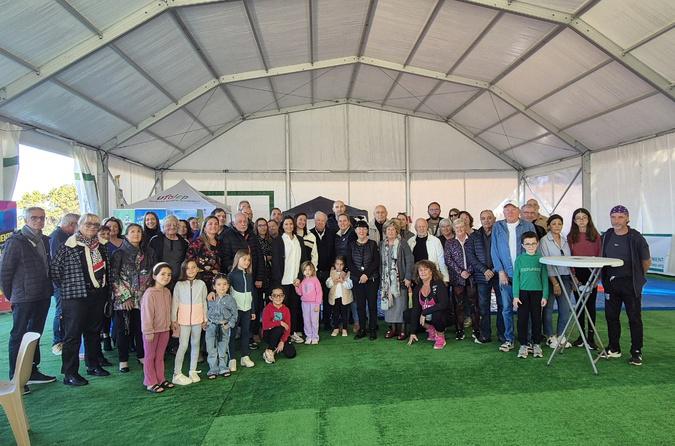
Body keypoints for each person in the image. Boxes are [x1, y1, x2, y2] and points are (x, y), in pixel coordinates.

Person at [50, 213, 111, 386]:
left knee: (93, 332)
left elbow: (107, 269)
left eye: (96, 224)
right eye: (88, 223)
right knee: (73, 335)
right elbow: (55, 271)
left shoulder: (102, 246)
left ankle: (93, 365)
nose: (92, 226)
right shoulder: (68, 245)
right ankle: (70, 374)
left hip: (98, 295)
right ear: (79, 225)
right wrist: (71, 286)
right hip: (75, 297)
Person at [2, 207, 56, 392]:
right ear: (25, 219)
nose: (39, 221)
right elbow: (5, 271)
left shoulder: (46, 240)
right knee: (18, 335)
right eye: (34, 218)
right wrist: (12, 295)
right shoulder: (15, 242)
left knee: (35, 335)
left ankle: (32, 371)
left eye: (42, 218)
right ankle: (16, 377)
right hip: (23, 297)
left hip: (42, 295)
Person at [599, 205, 651, 366]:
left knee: (634, 318)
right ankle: (614, 348)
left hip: (631, 284)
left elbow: (646, 262)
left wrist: (635, 277)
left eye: (620, 217)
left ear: (627, 218)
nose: (617, 220)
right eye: (613, 217)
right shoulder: (606, 235)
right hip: (611, 284)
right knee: (611, 317)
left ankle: (636, 351)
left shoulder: (636, 238)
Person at [110, 223, 156, 373]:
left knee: (141, 328)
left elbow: (153, 274)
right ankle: (123, 360)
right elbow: (114, 277)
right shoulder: (119, 253)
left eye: (138, 232)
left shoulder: (148, 252)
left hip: (143, 298)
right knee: (123, 329)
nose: (136, 234)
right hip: (124, 299)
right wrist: (125, 297)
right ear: (126, 235)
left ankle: (141, 355)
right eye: (132, 232)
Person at [491, 201, 535, 352]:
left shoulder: (528, 226)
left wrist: (527, 271)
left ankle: (527, 340)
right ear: (503, 213)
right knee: (506, 309)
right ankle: (509, 339)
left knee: (525, 310)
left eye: (512, 210)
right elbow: (494, 250)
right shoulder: (498, 227)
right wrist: (500, 271)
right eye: (506, 210)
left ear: (518, 212)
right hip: (505, 276)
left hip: (525, 276)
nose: (509, 212)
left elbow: (533, 249)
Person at [271, 216, 310, 343]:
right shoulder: (278, 241)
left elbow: (303, 260)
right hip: (282, 281)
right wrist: (277, 283)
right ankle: (280, 335)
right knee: (281, 309)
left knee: (294, 308)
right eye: (286, 224)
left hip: (295, 282)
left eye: (291, 224)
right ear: (282, 226)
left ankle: (292, 332)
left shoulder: (299, 239)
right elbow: (276, 263)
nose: (289, 226)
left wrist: (300, 277)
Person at [466, 210, 503, 344]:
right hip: (482, 277)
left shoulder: (500, 234)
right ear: (480, 220)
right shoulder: (474, 236)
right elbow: (470, 256)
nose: (486, 221)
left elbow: (504, 253)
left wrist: (493, 270)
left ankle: (502, 335)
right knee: (483, 306)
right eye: (483, 218)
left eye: (489, 218)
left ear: (494, 219)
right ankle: (485, 335)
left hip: (499, 274)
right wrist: (484, 270)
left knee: (502, 305)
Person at [567, 208, 601, 349]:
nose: (581, 220)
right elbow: (568, 258)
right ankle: (581, 337)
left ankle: (590, 338)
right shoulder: (570, 237)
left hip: (591, 273)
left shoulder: (596, 236)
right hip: (577, 274)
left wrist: (596, 279)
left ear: (588, 219)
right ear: (574, 221)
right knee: (579, 305)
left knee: (590, 306)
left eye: (584, 217)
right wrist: (573, 277)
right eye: (578, 218)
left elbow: (600, 257)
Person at [538, 214, 573, 350]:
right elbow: (546, 263)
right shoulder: (544, 241)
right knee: (548, 309)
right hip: (550, 278)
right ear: (549, 226)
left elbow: (569, 260)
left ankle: (561, 335)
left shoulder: (565, 240)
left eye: (559, 223)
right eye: (554, 224)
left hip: (565, 277)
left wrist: (572, 277)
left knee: (565, 308)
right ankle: (549, 336)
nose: (557, 226)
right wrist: (555, 283)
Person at [171, 259, 208, 386]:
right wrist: (173, 319)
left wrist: (205, 319)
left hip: (198, 320)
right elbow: (175, 302)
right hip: (183, 320)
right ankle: (177, 373)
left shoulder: (202, 284)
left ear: (197, 269)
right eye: (188, 268)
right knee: (183, 345)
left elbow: (204, 302)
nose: (191, 270)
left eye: (193, 267)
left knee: (196, 344)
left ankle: (193, 370)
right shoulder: (179, 285)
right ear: (183, 270)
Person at [512, 232, 549, 359]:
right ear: (523, 245)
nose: (531, 246)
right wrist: (515, 296)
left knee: (536, 319)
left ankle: (536, 343)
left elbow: (544, 278)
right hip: (523, 293)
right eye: (527, 244)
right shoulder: (520, 259)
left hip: (537, 293)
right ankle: (523, 344)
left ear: (537, 244)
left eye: (533, 243)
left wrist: (545, 295)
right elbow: (516, 278)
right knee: (522, 320)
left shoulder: (541, 259)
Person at [140, 262, 175, 394]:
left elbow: (169, 310)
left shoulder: (167, 292)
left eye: (169, 275)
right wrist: (148, 331)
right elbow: (146, 315)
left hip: (164, 330)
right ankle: (150, 382)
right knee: (150, 356)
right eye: (163, 274)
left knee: (160, 356)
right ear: (154, 276)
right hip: (152, 332)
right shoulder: (149, 293)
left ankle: (160, 379)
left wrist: (171, 324)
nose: (166, 277)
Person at [49, 213, 80, 356]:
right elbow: (57, 262)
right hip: (62, 283)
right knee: (61, 311)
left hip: (69, 282)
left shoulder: (63, 236)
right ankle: (57, 341)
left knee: (66, 311)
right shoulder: (58, 236)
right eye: (78, 225)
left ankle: (62, 339)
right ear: (71, 224)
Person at [380, 218, 414, 340]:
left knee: (401, 306)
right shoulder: (382, 244)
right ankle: (393, 329)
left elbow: (410, 260)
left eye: (393, 229)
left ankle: (403, 330)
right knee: (390, 306)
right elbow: (381, 263)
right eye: (388, 229)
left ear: (397, 231)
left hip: (400, 281)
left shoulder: (403, 243)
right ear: (385, 231)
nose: (391, 231)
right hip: (386, 282)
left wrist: (408, 277)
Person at [445, 218, 479, 341]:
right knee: (458, 305)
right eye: (457, 227)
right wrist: (460, 272)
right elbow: (448, 260)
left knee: (474, 304)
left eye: (461, 227)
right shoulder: (450, 243)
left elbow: (476, 257)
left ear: (465, 227)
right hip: (457, 279)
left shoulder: (473, 241)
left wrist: (468, 271)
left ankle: (476, 330)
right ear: (454, 229)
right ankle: (459, 330)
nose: (459, 229)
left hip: (471, 278)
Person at [406, 260, 449, 350]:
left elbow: (443, 304)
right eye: (420, 270)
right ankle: (431, 329)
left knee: (436, 314)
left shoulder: (439, 284)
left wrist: (424, 312)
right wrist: (412, 332)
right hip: (427, 316)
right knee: (407, 314)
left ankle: (441, 337)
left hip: (443, 316)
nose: (422, 272)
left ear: (431, 271)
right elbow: (416, 308)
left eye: (425, 269)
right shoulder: (417, 288)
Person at [349, 220, 380, 340]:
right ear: (356, 231)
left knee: (372, 305)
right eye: (359, 228)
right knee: (360, 305)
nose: (361, 231)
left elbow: (375, 261)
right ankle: (362, 329)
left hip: (372, 279)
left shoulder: (373, 244)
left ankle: (372, 329)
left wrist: (366, 274)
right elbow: (350, 263)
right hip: (357, 280)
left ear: (367, 231)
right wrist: (360, 275)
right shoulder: (351, 244)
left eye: (364, 228)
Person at [228, 250, 257, 370]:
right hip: (235, 311)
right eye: (244, 259)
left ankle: (245, 357)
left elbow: (251, 294)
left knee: (246, 333)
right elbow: (227, 294)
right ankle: (232, 359)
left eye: (248, 260)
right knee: (232, 334)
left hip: (247, 310)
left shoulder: (249, 275)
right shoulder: (232, 275)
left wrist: (253, 310)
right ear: (237, 259)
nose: (246, 262)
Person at [205, 274, 238, 379]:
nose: (222, 287)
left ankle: (223, 367)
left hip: (223, 327)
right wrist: (205, 322)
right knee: (211, 348)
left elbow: (235, 314)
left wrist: (229, 325)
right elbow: (205, 310)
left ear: (228, 286)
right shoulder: (210, 298)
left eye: (225, 284)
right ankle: (213, 368)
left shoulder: (230, 300)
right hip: (211, 327)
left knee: (223, 348)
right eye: (219, 284)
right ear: (214, 286)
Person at [310, 211, 335, 330]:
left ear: (326, 222)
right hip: (313, 272)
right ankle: (315, 322)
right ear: (314, 221)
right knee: (314, 299)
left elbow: (334, 253)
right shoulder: (309, 234)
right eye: (318, 220)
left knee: (327, 298)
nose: (320, 222)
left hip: (327, 271)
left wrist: (332, 268)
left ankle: (326, 322)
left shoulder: (331, 234)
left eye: (322, 220)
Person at [149, 215, 188, 290]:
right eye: (168, 225)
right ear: (163, 227)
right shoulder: (155, 240)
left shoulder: (184, 243)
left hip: (178, 281)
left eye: (175, 225)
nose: (172, 227)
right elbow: (150, 260)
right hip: (159, 281)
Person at [261, 287, 297, 364]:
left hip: (281, 335)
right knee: (279, 328)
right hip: (269, 334)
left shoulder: (286, 309)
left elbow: (288, 327)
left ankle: (274, 349)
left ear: (283, 297)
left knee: (291, 354)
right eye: (275, 295)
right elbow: (265, 325)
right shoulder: (267, 309)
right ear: (271, 297)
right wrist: (280, 323)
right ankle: (269, 350)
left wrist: (282, 341)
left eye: (280, 295)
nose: (278, 298)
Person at [408, 218, 449, 283]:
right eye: (419, 227)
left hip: (432, 276)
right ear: (416, 228)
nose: (421, 228)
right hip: (416, 277)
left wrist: (445, 278)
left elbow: (441, 260)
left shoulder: (435, 241)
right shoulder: (410, 241)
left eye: (423, 226)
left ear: (427, 227)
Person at [186, 216, 222, 292]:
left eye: (216, 224)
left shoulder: (220, 242)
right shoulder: (197, 243)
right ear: (205, 228)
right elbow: (189, 261)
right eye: (210, 224)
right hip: (201, 280)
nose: (214, 226)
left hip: (218, 282)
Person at [295, 261, 323, 344]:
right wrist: (296, 287)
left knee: (314, 320)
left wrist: (318, 304)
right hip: (305, 304)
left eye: (309, 269)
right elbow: (300, 293)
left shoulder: (315, 280)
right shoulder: (302, 281)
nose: (307, 271)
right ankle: (309, 336)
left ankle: (315, 337)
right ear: (302, 271)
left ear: (313, 270)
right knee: (306, 320)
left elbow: (319, 293)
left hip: (314, 303)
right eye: (305, 270)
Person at [326, 256, 353, 337]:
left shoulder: (347, 274)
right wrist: (333, 282)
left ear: (344, 265)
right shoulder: (332, 273)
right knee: (335, 314)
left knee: (345, 314)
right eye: (337, 264)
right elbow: (328, 284)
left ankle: (345, 328)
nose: (339, 266)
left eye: (341, 264)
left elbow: (350, 285)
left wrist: (343, 281)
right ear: (334, 264)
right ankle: (336, 328)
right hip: (335, 298)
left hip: (344, 298)